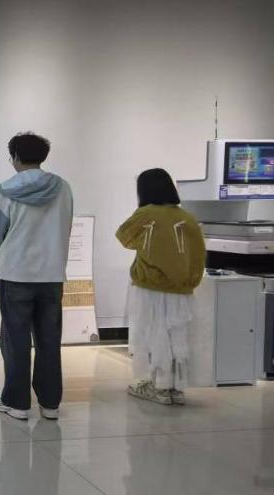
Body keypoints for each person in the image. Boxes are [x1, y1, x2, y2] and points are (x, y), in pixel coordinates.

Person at [0, 131, 73, 421]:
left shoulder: (4, 191)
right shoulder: (63, 188)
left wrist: (2, 256)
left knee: (16, 340)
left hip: (15, 274)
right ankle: (50, 403)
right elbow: (66, 226)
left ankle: (17, 403)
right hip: (52, 275)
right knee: (49, 340)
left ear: (15, 157)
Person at [117, 168, 205, 405]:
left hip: (149, 286)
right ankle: (175, 388)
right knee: (177, 337)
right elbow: (198, 255)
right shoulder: (187, 218)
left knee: (151, 335)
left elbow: (124, 236)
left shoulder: (145, 214)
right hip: (182, 289)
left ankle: (158, 387)